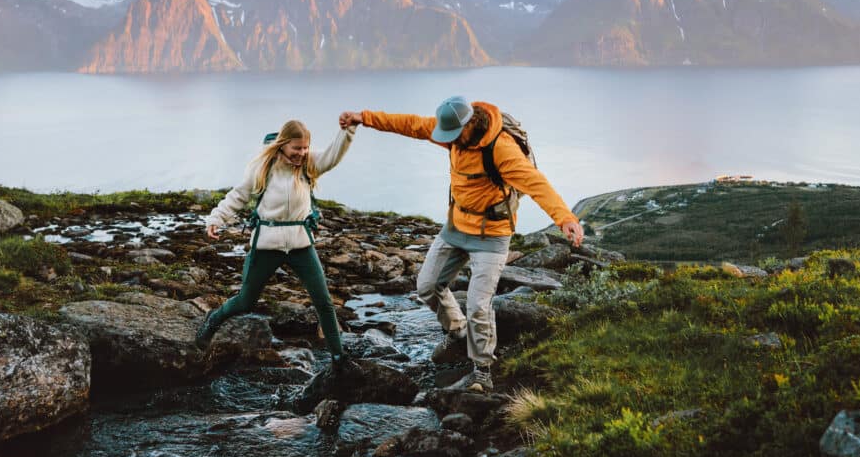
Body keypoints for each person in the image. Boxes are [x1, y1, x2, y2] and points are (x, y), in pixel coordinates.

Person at [339, 97, 583, 393]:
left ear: (470, 125)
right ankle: (457, 333)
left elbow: (537, 184)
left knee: (479, 305)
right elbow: (410, 124)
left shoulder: (502, 149)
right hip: (456, 226)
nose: (448, 140)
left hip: (492, 234)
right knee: (427, 286)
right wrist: (363, 117)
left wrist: (565, 218)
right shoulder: (452, 133)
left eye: (454, 135)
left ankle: (482, 371)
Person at [197, 119, 356, 372]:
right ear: (282, 145)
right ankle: (213, 319)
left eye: (305, 148)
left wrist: (348, 130)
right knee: (246, 301)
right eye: (296, 148)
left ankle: (339, 359)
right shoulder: (262, 167)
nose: (302, 153)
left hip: (301, 245)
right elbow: (238, 195)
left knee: (324, 302)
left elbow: (333, 156)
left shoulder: (309, 164)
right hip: (266, 245)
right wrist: (216, 219)